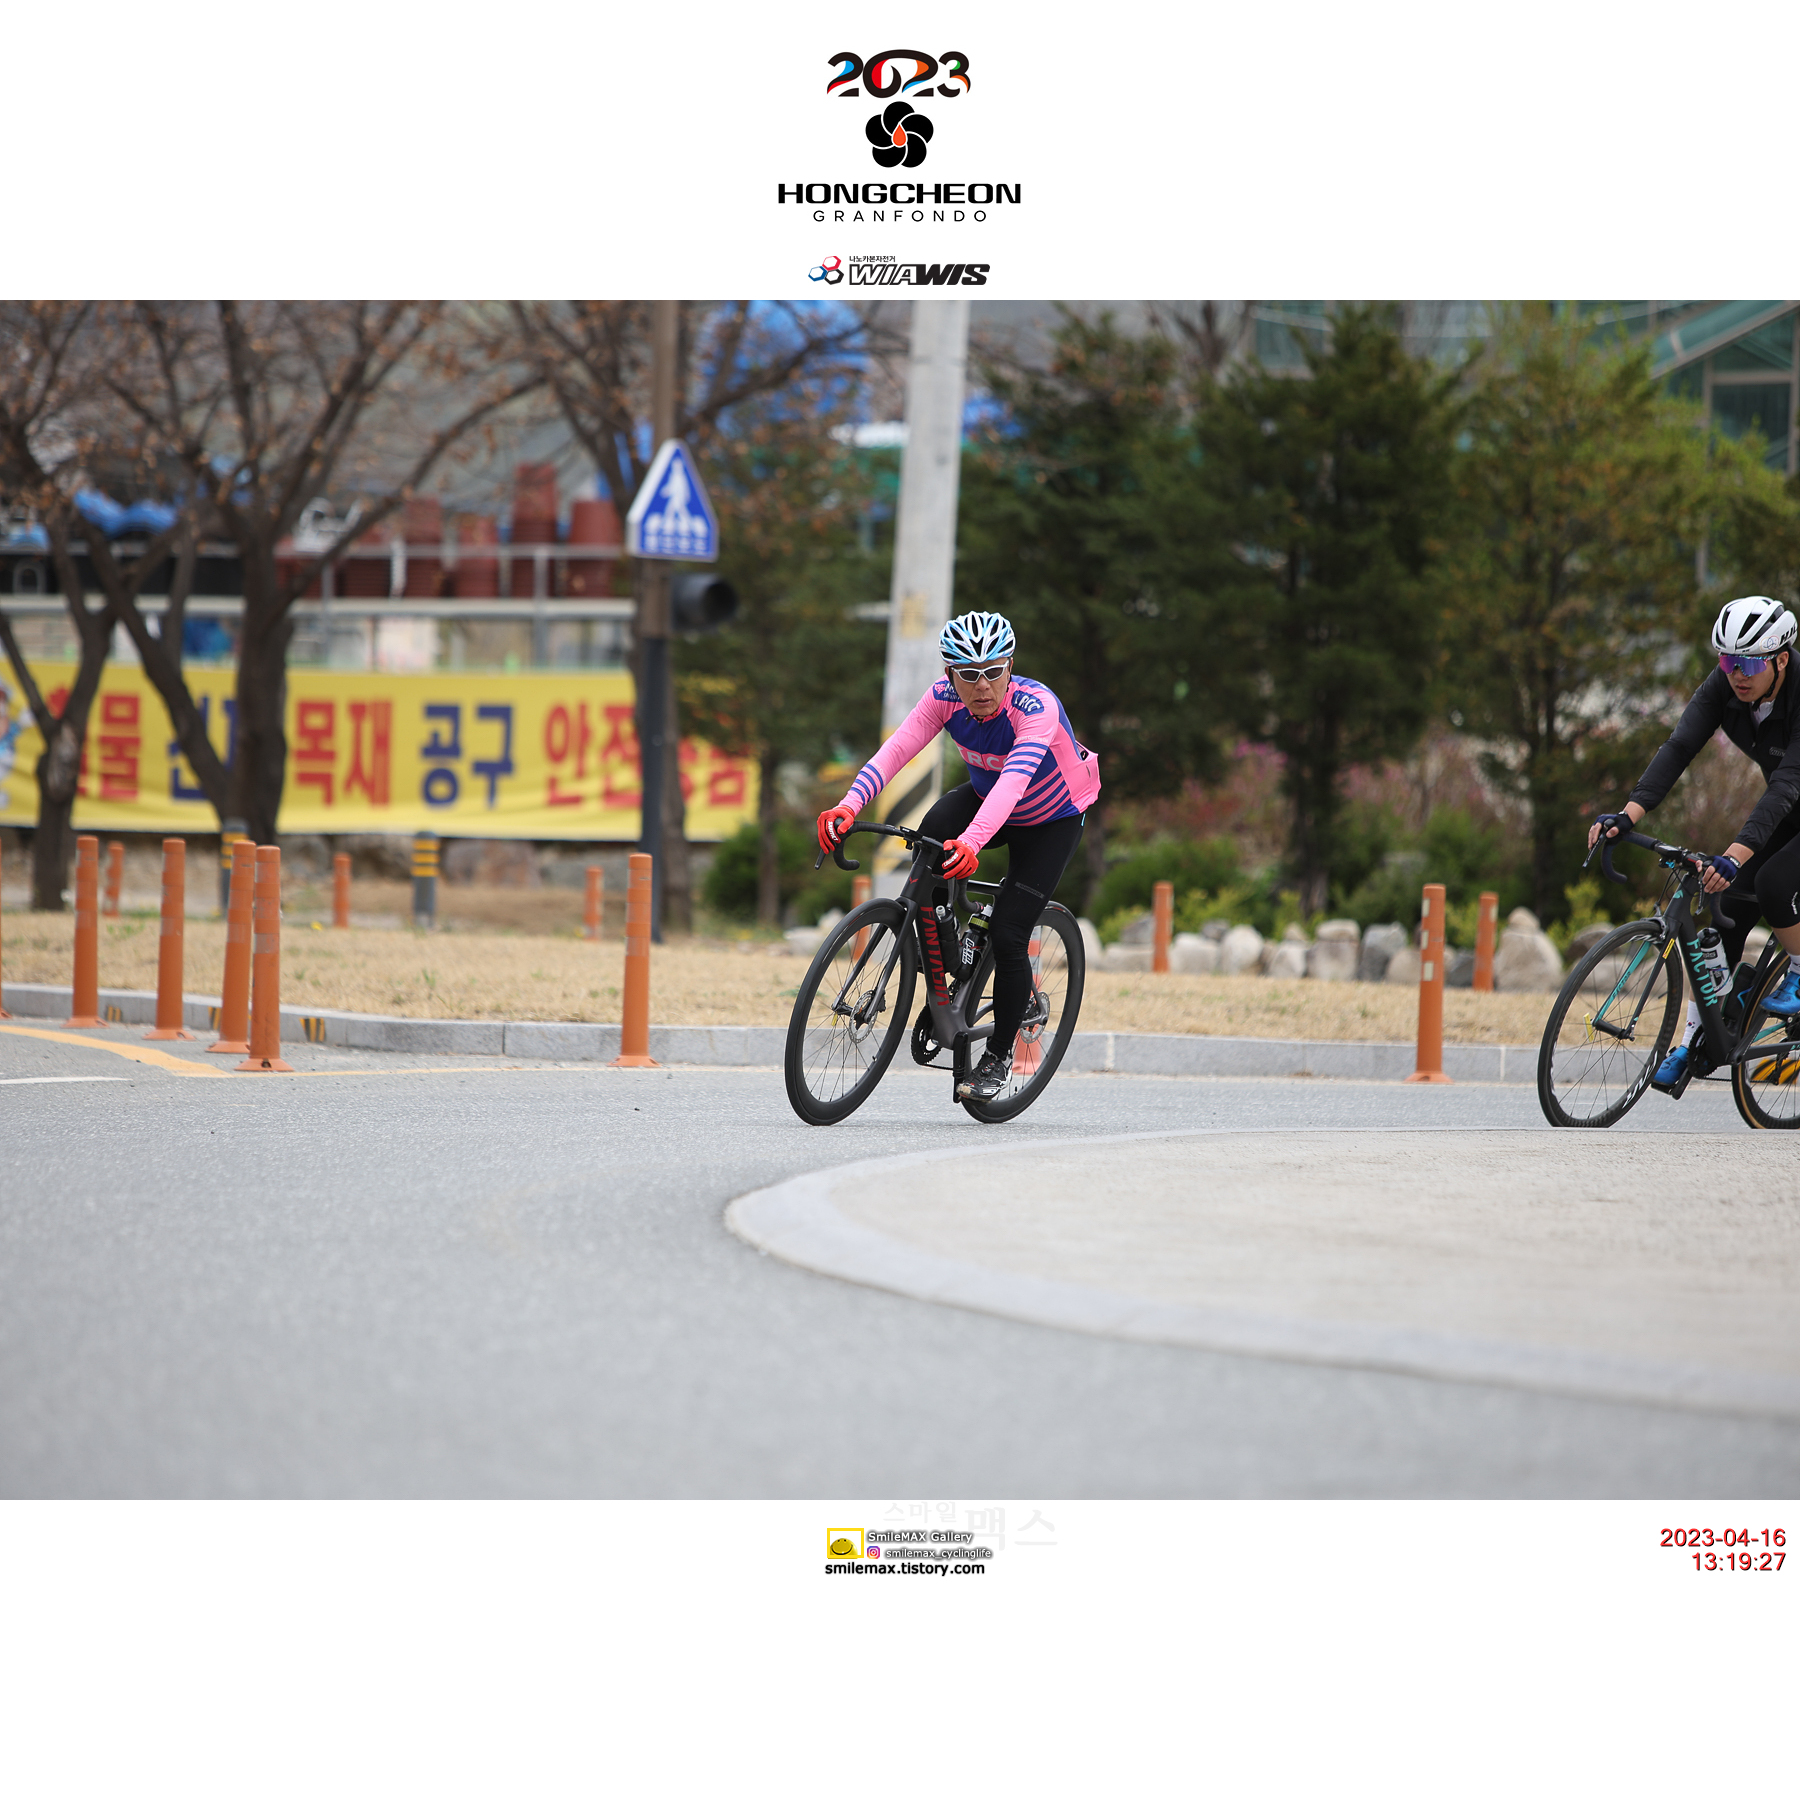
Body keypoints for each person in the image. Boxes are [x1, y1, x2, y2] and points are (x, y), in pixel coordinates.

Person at [817, 610, 1100, 1102]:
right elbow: (896, 751)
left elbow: (1014, 783)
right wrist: (849, 805)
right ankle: (949, 955)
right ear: (950, 674)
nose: (982, 685)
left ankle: (998, 1056)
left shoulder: (1036, 708)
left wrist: (971, 842)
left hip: (1051, 817)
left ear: (1010, 667)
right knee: (929, 837)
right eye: (969, 673)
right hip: (987, 797)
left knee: (1010, 933)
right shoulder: (943, 699)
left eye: (993, 670)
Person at [1588, 595, 1800, 1089]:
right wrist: (1628, 814)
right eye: (1727, 661)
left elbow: (1786, 785)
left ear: (1780, 660)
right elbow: (1679, 746)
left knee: (1772, 883)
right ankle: (1693, 1040)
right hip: (1789, 811)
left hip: (1791, 795)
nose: (1737, 674)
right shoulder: (1726, 686)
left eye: (1749, 664)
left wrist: (1734, 855)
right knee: (1723, 910)